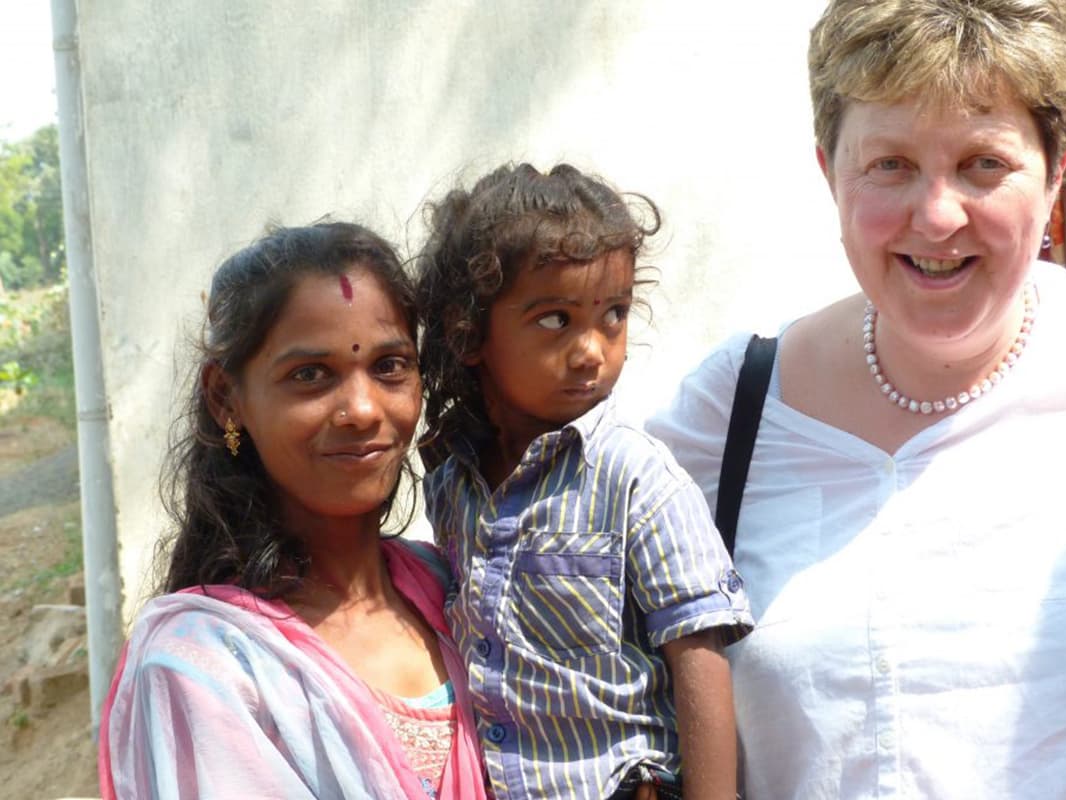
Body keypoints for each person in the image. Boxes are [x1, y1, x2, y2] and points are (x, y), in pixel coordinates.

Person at [647, 1, 1066, 798]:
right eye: (890, 165)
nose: (938, 215)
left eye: (984, 163)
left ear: (1060, 169)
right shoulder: (732, 412)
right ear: (828, 171)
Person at [98, 222, 489, 799]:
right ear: (227, 399)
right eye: (310, 375)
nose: (361, 409)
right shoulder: (202, 664)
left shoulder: (460, 591)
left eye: (389, 366)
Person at [415, 163, 753, 800]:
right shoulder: (452, 482)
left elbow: (699, 654)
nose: (592, 350)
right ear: (469, 335)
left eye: (613, 315)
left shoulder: (637, 478)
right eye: (555, 320)